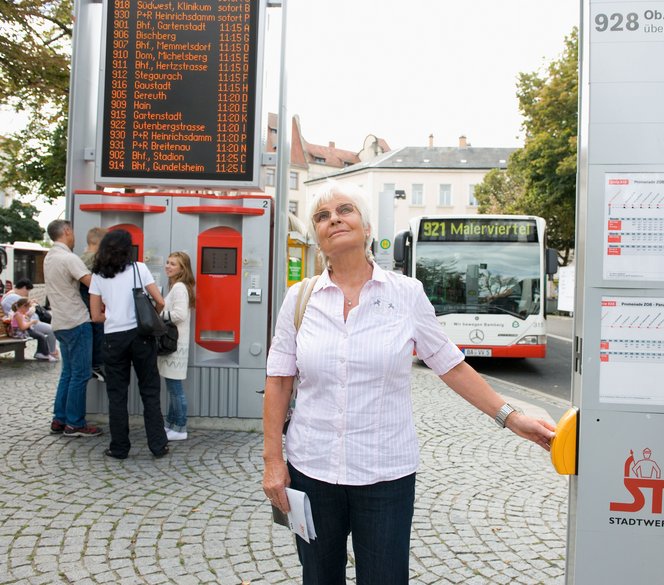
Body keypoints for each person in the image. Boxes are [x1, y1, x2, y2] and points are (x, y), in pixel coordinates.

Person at [262, 181, 556, 584]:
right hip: (312, 471)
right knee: (318, 577)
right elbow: (279, 380)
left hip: (385, 476)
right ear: (317, 236)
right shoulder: (299, 300)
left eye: (344, 210)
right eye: (322, 216)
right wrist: (273, 462)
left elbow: (450, 365)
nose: (334, 220)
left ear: (366, 227)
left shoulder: (406, 294)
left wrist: (511, 416)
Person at [89, 229, 168, 460]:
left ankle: (119, 448)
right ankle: (158, 445)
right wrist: (149, 317)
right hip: (141, 336)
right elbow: (160, 302)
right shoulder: (139, 269)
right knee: (150, 392)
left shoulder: (98, 276)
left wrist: (113, 317)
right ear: (127, 248)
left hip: (114, 339)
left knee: (117, 395)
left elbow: (95, 316)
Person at [43, 220, 102, 437]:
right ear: (67, 231)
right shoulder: (69, 258)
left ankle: (59, 419)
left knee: (67, 373)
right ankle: (75, 424)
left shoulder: (50, 257)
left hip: (59, 322)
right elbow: (92, 283)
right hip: (76, 321)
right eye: (73, 232)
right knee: (81, 374)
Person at [158, 251, 195, 441]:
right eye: (167, 262)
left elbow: (179, 314)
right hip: (174, 345)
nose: (168, 266)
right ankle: (171, 425)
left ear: (182, 268)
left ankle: (180, 427)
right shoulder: (177, 286)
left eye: (173, 264)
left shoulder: (179, 287)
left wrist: (159, 316)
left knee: (175, 389)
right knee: (172, 387)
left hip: (175, 346)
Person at [1, 278, 59, 359]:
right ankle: (51, 352)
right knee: (51, 329)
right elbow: (26, 312)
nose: (27, 294)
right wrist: (33, 306)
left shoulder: (11, 296)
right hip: (25, 325)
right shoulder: (13, 297)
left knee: (46, 331)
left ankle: (46, 352)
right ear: (24, 287)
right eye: (27, 291)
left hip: (25, 324)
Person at [80, 227, 108, 382]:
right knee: (99, 328)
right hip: (91, 302)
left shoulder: (81, 257)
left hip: (83, 302)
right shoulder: (95, 259)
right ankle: (96, 365)